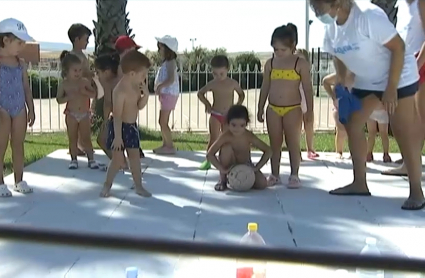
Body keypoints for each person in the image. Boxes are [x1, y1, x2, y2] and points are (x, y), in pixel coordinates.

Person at [310, 0, 423, 210]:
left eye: (318, 7)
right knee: (353, 124)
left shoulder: (367, 15)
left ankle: (417, 192)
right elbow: (338, 56)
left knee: (403, 131)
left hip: (398, 76)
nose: (316, 12)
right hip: (368, 80)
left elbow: (398, 48)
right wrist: (343, 80)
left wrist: (391, 89)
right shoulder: (331, 29)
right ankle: (359, 183)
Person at [257, 23, 314, 188]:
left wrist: (309, 110)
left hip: (293, 108)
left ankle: (294, 174)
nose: (279, 53)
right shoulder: (271, 64)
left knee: (292, 142)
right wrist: (261, 107)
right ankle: (274, 174)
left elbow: (308, 89)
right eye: (276, 50)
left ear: (293, 46)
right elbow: (265, 86)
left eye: (283, 50)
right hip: (273, 108)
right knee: (274, 143)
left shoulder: (300, 64)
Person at [100, 50, 151, 198]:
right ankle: (107, 185)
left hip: (131, 126)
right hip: (118, 127)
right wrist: (117, 137)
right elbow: (116, 115)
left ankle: (139, 186)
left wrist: (146, 95)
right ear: (132, 74)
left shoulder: (136, 86)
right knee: (117, 160)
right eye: (143, 74)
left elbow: (139, 106)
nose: (145, 78)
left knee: (134, 157)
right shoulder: (120, 91)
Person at [382, 0, 425, 174]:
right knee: (403, 117)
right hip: (406, 62)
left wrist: (418, 64)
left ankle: (411, 165)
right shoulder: (401, 6)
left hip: (419, 61)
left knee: (419, 116)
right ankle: (410, 160)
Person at [0, 18, 35, 196]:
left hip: (19, 106)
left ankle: (19, 180)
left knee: (18, 144)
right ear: (5, 40)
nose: (22, 46)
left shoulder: (20, 64)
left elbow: (26, 88)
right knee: (1, 144)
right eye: (19, 42)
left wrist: (31, 108)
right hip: (2, 108)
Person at [206, 105, 271, 191]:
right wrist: (221, 169)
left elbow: (268, 151)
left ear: (246, 124)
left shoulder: (248, 136)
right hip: (229, 166)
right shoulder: (225, 136)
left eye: (242, 125)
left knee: (262, 184)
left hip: (246, 165)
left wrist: (257, 167)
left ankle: (241, 179)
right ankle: (223, 180)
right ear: (228, 123)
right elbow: (210, 154)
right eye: (234, 125)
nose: (237, 129)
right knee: (226, 148)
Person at [198, 55, 245, 170]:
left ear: (228, 69)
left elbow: (241, 94)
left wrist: (237, 106)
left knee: (227, 138)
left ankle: (227, 159)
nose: (218, 76)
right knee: (213, 138)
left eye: (221, 73)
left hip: (229, 116)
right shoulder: (213, 83)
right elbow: (200, 93)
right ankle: (208, 160)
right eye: (215, 73)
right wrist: (207, 104)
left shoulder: (232, 83)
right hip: (216, 114)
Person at [56, 51, 98, 170]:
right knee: (72, 137)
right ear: (66, 71)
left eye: (80, 70)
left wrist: (86, 92)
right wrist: (68, 97)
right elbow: (59, 99)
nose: (78, 73)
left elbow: (94, 94)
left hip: (84, 113)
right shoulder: (64, 84)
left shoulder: (84, 82)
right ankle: (74, 159)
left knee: (86, 137)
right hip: (71, 114)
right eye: (75, 70)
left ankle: (91, 159)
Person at [113, 35, 145, 159]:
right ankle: (122, 154)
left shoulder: (126, 66)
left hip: (128, 103)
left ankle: (133, 149)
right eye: (133, 50)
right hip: (123, 103)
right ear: (126, 51)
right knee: (123, 126)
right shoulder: (123, 68)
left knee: (129, 125)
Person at [67, 23, 93, 156]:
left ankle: (79, 145)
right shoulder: (75, 57)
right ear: (77, 39)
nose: (87, 42)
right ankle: (76, 145)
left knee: (83, 117)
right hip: (79, 92)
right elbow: (79, 73)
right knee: (77, 118)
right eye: (85, 39)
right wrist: (91, 74)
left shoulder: (81, 55)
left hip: (84, 92)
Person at [93, 53, 122, 170]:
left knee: (101, 139)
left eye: (98, 72)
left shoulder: (107, 82)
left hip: (114, 117)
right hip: (125, 115)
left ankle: (118, 163)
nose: (97, 75)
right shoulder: (120, 79)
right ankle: (119, 162)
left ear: (106, 71)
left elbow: (108, 102)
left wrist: (105, 120)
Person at [153, 35, 180, 155]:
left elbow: (170, 79)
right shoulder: (167, 62)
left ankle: (169, 146)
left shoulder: (170, 63)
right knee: (162, 121)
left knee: (163, 121)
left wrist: (160, 86)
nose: (159, 50)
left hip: (168, 94)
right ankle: (166, 144)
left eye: (161, 48)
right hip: (166, 94)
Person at [295, 48, 319, 159]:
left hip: (306, 101)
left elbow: (309, 90)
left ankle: (310, 148)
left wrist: (310, 107)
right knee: (297, 127)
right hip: (296, 102)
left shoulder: (307, 74)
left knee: (309, 125)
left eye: (302, 59)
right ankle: (296, 150)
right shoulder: (293, 74)